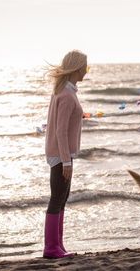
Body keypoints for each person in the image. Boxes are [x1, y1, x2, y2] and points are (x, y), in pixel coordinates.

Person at [43, 50, 88, 258]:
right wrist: (66, 162)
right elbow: (60, 131)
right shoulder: (67, 95)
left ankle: (58, 246)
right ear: (77, 68)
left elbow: (63, 126)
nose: (86, 71)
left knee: (62, 197)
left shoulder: (64, 91)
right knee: (58, 198)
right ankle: (51, 248)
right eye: (85, 67)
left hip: (62, 154)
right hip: (62, 156)